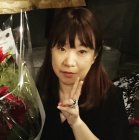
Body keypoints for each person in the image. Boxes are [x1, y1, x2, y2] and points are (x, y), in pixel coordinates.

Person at [36, 7, 129, 140]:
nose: (69, 62)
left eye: (82, 51)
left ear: (95, 55)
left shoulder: (111, 99)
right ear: (50, 50)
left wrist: (75, 122)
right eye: (61, 48)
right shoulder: (38, 92)